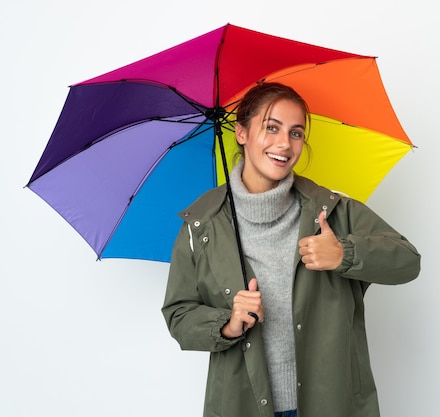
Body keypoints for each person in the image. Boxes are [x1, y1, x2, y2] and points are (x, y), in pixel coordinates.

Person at [162, 82, 421, 417]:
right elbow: (179, 314)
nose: (284, 144)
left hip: (331, 403)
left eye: (296, 133)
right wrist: (227, 323)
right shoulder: (201, 224)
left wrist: (344, 253)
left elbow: (407, 260)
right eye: (271, 128)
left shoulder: (333, 211)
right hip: (244, 405)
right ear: (241, 132)